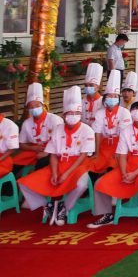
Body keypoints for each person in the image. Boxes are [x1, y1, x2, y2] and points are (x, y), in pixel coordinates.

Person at [89, 84, 138, 228]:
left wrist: (134, 173)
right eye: (134, 109)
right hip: (129, 164)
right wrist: (124, 173)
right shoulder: (126, 130)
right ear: (130, 111)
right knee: (100, 183)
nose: (137, 112)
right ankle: (107, 215)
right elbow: (121, 155)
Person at [17, 87, 94, 225]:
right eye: (70, 113)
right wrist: (54, 172)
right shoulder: (58, 129)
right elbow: (52, 154)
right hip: (59, 163)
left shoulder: (87, 130)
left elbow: (83, 156)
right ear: (64, 115)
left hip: (79, 164)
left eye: (77, 113)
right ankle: (48, 205)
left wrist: (66, 174)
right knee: (24, 184)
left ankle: (65, 206)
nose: (73, 116)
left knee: (81, 185)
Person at [12, 83, 62, 173]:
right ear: (27, 109)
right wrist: (33, 148)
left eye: (37, 105)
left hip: (52, 151)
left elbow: (61, 141)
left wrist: (46, 152)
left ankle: (35, 179)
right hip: (33, 151)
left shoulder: (55, 120)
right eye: (31, 107)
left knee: (41, 164)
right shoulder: (27, 123)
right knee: (13, 164)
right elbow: (21, 144)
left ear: (42, 105)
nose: (34, 108)